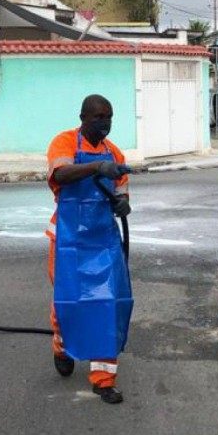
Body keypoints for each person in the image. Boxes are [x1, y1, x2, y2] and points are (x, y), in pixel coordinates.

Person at [46, 94, 134, 404]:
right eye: (98, 117)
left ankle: (103, 379)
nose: (105, 122)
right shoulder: (65, 142)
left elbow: (122, 192)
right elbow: (60, 174)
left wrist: (123, 204)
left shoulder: (115, 153)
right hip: (68, 240)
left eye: (109, 117)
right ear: (83, 117)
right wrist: (97, 167)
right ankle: (63, 347)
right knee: (68, 301)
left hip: (103, 241)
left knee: (107, 304)